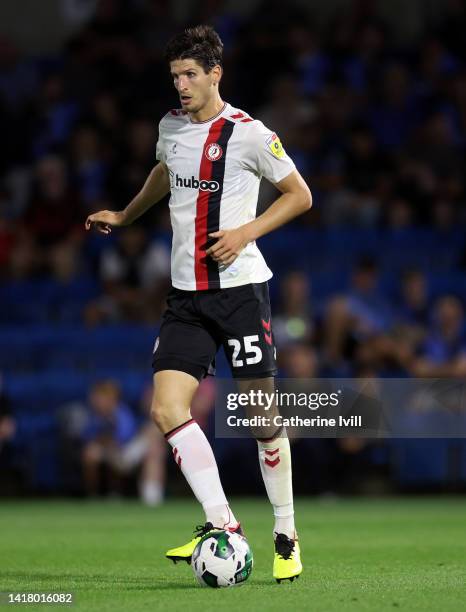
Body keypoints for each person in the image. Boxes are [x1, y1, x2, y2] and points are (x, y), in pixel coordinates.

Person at [85, 25, 312, 583]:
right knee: (166, 409)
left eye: (191, 75)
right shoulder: (170, 126)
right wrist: (127, 213)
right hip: (186, 296)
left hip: (238, 291)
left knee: (262, 419)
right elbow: (167, 171)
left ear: (216, 74)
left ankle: (286, 533)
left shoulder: (250, 134)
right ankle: (224, 525)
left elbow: (300, 195)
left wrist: (246, 233)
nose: (182, 86)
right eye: (175, 77)